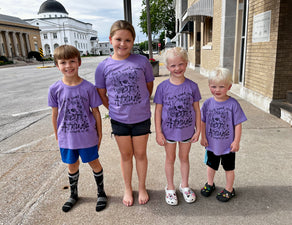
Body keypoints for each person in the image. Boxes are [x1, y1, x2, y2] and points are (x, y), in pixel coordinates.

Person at [95, 20, 154, 207]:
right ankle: (128, 188)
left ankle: (142, 187)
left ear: (133, 41)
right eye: (118, 39)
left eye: (127, 40)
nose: (123, 43)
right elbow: (102, 94)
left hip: (141, 118)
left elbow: (148, 86)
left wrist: (139, 105)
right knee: (126, 155)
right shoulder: (103, 67)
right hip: (119, 119)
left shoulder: (142, 62)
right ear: (111, 40)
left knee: (141, 154)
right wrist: (113, 110)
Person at [48, 45, 107, 212]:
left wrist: (99, 134)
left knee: (94, 163)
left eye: (72, 61)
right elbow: (54, 114)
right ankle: (73, 195)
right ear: (57, 65)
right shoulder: (54, 89)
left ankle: (101, 192)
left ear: (79, 62)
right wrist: (57, 135)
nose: (68, 66)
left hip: (87, 136)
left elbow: (96, 112)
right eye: (63, 62)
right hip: (66, 137)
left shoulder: (88, 88)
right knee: (72, 166)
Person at [153, 47, 201, 206]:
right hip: (168, 132)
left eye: (181, 64)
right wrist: (158, 132)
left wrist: (198, 129)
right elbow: (158, 111)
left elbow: (196, 109)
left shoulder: (192, 86)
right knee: (170, 158)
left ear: (186, 63)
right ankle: (170, 187)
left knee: (184, 158)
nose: (177, 68)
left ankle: (184, 186)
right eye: (173, 65)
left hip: (187, 131)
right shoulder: (162, 87)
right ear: (167, 67)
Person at [200, 67, 247, 202]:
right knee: (210, 166)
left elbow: (238, 124)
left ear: (229, 87)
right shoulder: (208, 103)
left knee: (229, 168)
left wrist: (236, 141)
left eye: (222, 86)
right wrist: (203, 136)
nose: (217, 90)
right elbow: (203, 121)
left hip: (228, 146)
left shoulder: (233, 104)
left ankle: (229, 189)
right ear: (209, 86)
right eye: (214, 86)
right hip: (211, 144)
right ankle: (210, 184)